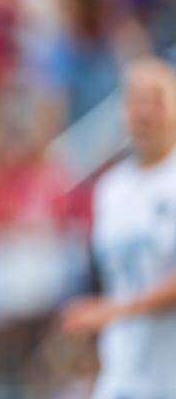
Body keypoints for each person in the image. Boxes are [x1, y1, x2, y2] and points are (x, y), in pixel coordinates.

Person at [62, 57, 176, 399]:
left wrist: (114, 311)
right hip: (123, 375)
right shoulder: (110, 189)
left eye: (155, 100)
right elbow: (109, 280)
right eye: (135, 100)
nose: (144, 112)